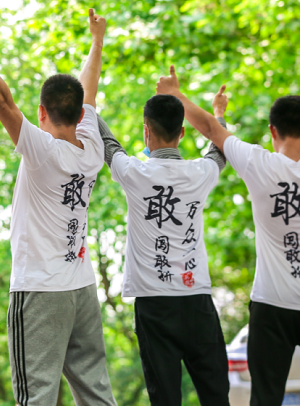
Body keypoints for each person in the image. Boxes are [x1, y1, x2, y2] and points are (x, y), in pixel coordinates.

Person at [157, 65, 300, 406]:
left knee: (265, 400)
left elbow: (211, 129)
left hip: (272, 307)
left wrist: (175, 95)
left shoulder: (258, 163)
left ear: (272, 130)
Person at [0, 9, 117, 406]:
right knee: (96, 392)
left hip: (40, 291)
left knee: (36, 397)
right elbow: (88, 89)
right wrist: (97, 42)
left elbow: (2, 102)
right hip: (82, 288)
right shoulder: (92, 147)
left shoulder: (42, 151)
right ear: (81, 115)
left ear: (42, 113)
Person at [96, 85, 231, 406]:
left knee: (164, 400)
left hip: (153, 304)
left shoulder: (133, 171)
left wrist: (86, 102)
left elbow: (108, 143)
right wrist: (219, 114)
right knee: (216, 396)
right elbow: (220, 149)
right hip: (197, 300)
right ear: (181, 133)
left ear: (146, 131)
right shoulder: (200, 172)